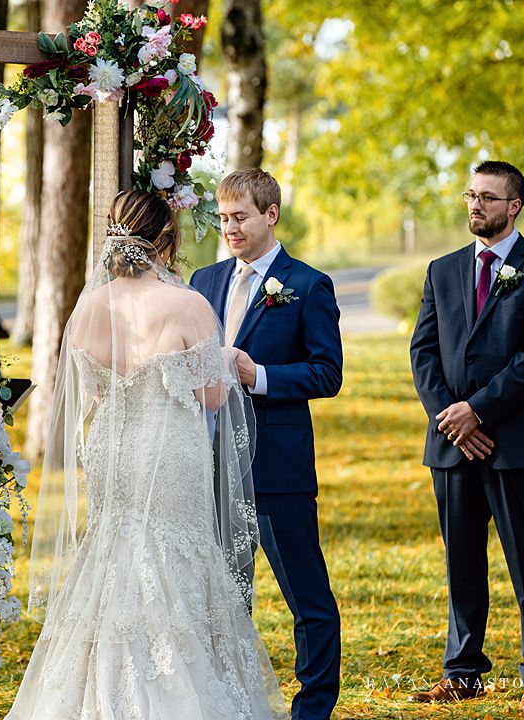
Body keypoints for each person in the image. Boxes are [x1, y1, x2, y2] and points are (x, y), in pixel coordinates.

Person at [6, 189, 287, 719]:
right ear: (166, 239)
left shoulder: (91, 304)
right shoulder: (187, 304)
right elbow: (211, 396)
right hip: (168, 447)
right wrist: (225, 358)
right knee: (172, 555)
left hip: (113, 445)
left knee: (113, 549)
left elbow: (90, 388)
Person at [407, 161, 524, 712]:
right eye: (470, 195)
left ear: (514, 205)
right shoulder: (441, 269)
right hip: (451, 447)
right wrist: (451, 420)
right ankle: (463, 670)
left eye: (488, 198)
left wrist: (478, 411)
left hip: (514, 441)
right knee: (461, 561)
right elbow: (423, 352)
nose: (475, 205)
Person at [190, 168, 343, 720]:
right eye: (224, 218)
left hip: (276, 466)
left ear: (270, 215)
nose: (229, 228)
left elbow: (328, 373)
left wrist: (261, 376)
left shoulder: (307, 285)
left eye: (240, 218)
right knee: (225, 594)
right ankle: (231, 703)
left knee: (307, 596)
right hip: (208, 462)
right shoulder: (203, 282)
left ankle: (314, 707)